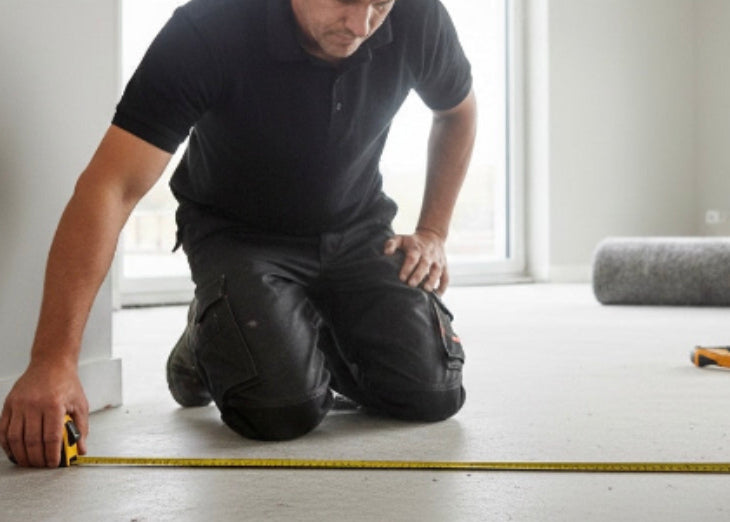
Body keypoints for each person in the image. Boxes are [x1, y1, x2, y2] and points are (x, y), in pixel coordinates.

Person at [0, 0, 476, 468]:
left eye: (379, 4)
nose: (361, 24)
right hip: (240, 237)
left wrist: (433, 229)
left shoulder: (420, 16)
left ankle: (274, 321)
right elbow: (111, 187)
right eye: (345, 1)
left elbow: (457, 111)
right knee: (280, 409)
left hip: (357, 227)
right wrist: (52, 360)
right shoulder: (208, 29)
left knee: (434, 392)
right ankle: (203, 341)